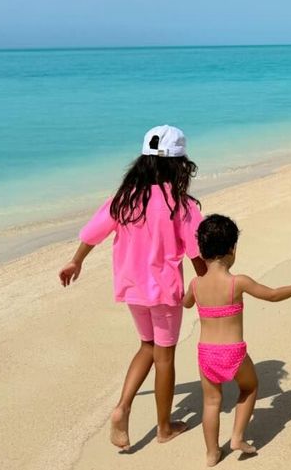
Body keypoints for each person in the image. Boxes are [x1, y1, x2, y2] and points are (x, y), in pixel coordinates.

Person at [58, 125, 206, 450]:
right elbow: (197, 253)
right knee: (165, 356)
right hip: (165, 291)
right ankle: (164, 428)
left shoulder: (125, 198)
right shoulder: (180, 205)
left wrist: (76, 261)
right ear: (179, 165)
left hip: (132, 288)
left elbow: (92, 233)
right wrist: (207, 284)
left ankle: (122, 407)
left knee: (146, 346)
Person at [183, 214, 291, 466]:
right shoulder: (237, 282)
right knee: (250, 387)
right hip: (233, 352)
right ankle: (237, 438)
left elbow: (185, 302)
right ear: (232, 249)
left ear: (201, 250)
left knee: (211, 401)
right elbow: (273, 295)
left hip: (206, 353)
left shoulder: (196, 284)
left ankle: (211, 453)